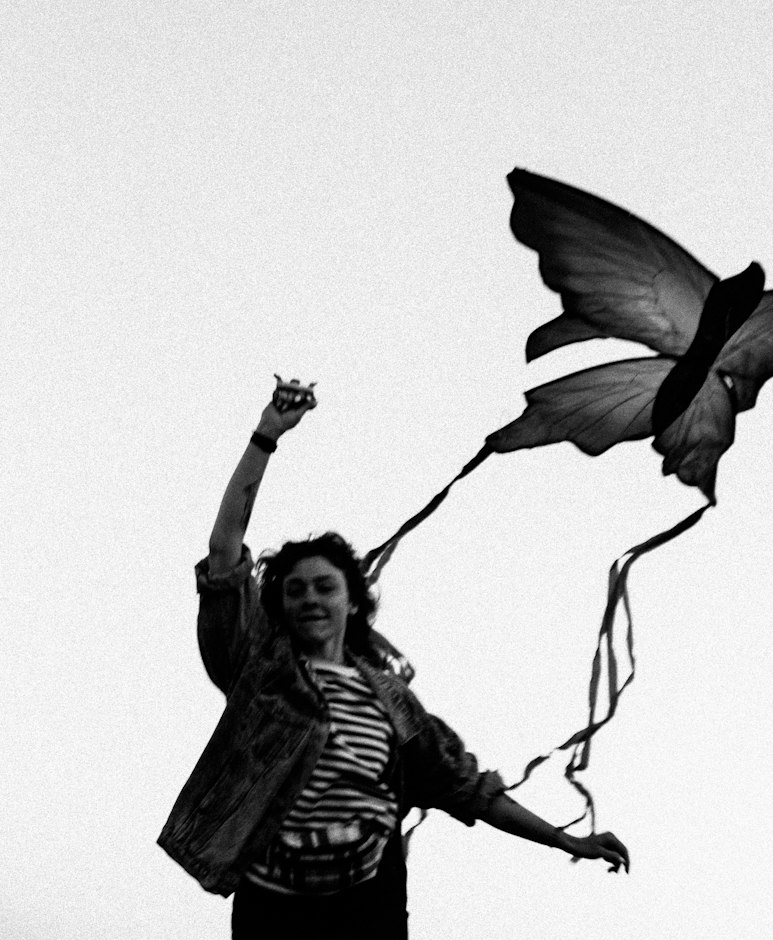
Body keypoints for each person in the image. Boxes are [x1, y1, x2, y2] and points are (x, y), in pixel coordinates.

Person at [158, 378, 630, 938]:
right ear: (278, 605)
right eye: (296, 589)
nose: (310, 597)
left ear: (352, 600)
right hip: (276, 901)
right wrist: (266, 436)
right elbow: (224, 554)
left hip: (368, 899)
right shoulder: (259, 668)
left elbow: (467, 788)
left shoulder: (392, 701)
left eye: (324, 587)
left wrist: (566, 838)